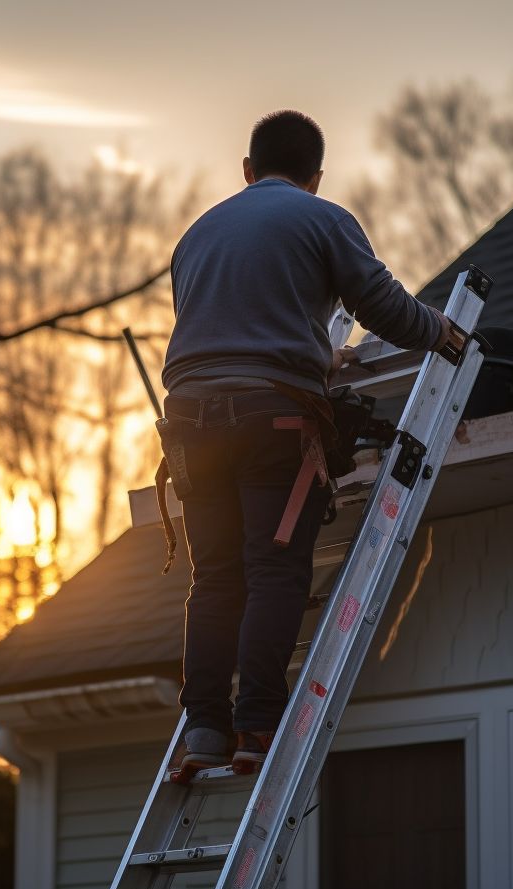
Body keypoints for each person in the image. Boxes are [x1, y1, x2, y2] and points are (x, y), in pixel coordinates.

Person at [159, 110, 464, 782]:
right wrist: (443, 331)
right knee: (274, 569)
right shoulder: (323, 219)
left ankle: (204, 728)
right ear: (316, 177)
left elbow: (223, 330)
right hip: (271, 422)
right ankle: (258, 725)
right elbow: (383, 307)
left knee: (213, 580)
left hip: (187, 426)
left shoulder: (196, 235)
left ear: (247, 169)